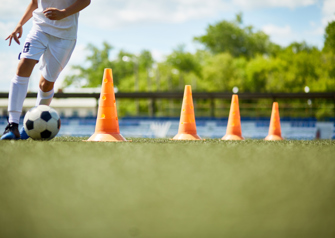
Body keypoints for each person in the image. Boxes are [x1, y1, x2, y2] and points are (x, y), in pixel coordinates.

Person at [1, 0, 91, 140]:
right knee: (23, 65)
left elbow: (86, 1)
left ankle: (30, 128)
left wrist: (64, 13)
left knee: (46, 84)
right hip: (39, 29)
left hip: (65, 36)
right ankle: (12, 125)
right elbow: (35, 2)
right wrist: (19, 24)